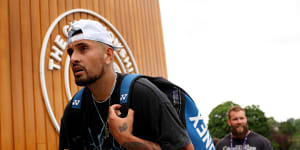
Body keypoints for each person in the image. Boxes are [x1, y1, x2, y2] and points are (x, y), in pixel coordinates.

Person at [58, 19, 194, 150]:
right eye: (71, 52)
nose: (74, 58)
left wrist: (128, 140)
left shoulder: (142, 94)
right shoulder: (74, 111)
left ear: (108, 55)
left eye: (83, 48)